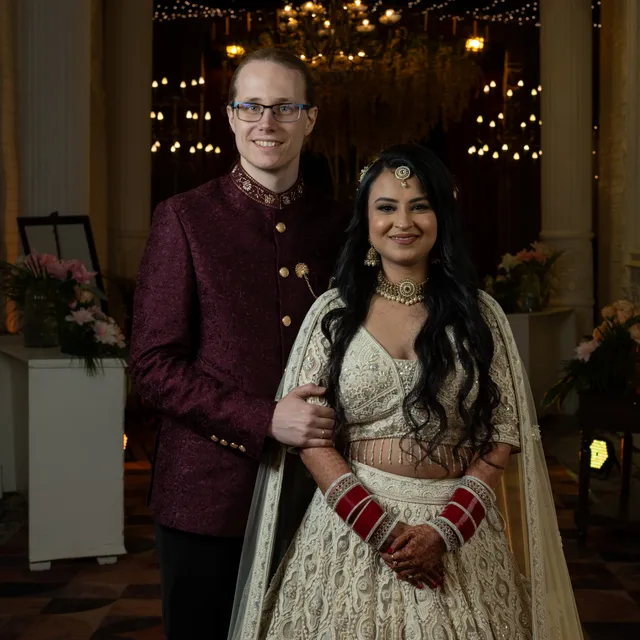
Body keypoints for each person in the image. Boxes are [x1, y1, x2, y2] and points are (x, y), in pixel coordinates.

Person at [229, 144, 584, 639]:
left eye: (420, 206)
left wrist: (445, 531)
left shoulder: (480, 316)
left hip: (458, 537)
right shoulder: (332, 314)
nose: (403, 222)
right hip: (348, 532)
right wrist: (379, 528)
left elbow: (502, 434)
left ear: (441, 218)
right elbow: (310, 436)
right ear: (366, 221)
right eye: (387, 207)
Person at [128, 48, 345, 640]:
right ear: (230, 116)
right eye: (251, 106)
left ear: (310, 118)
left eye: (284, 107)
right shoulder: (184, 218)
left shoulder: (341, 225)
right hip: (206, 496)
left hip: (318, 494)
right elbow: (151, 366)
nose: (266, 122)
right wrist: (264, 418)